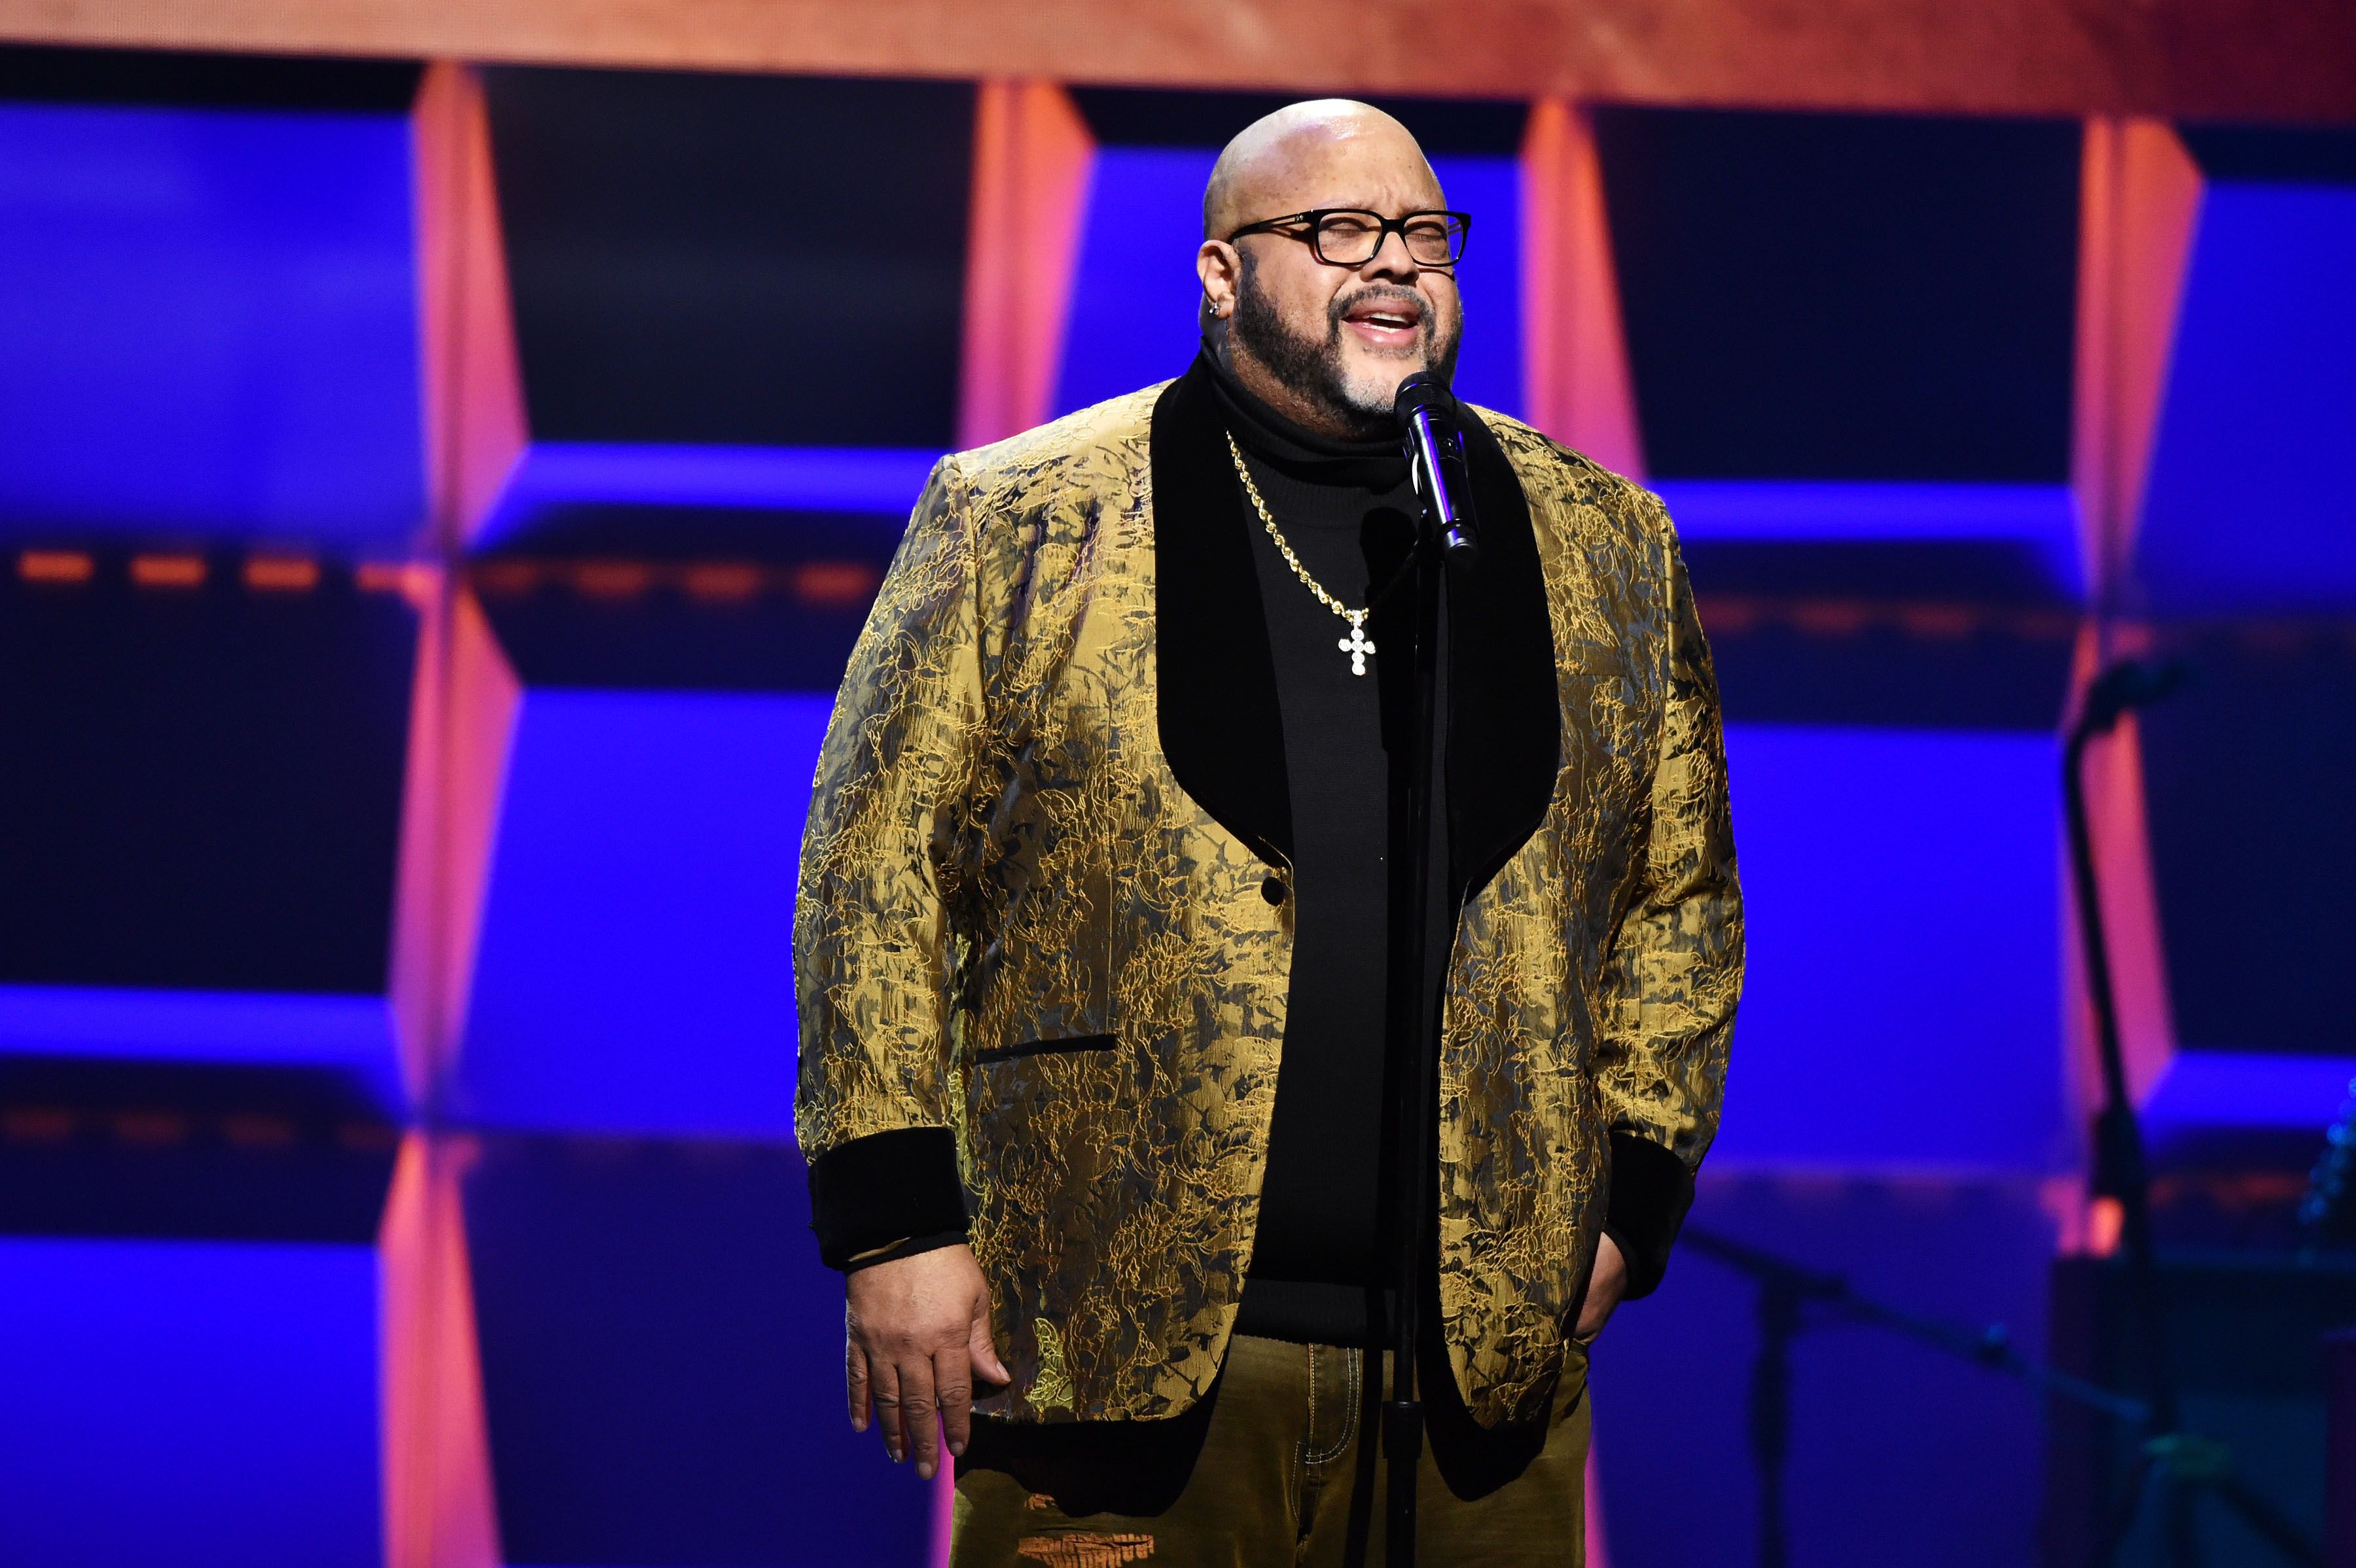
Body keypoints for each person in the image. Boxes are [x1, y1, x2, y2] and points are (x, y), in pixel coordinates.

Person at [795, 98, 1741, 1565]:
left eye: (1426, 235)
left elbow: (1679, 895)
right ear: (1221, 274)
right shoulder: (1021, 516)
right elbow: (873, 876)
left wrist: (1630, 1193)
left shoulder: (1601, 538)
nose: (1396, 269)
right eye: (1340, 231)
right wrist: (894, 1220)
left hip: (1478, 1375)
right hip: (1122, 1341)